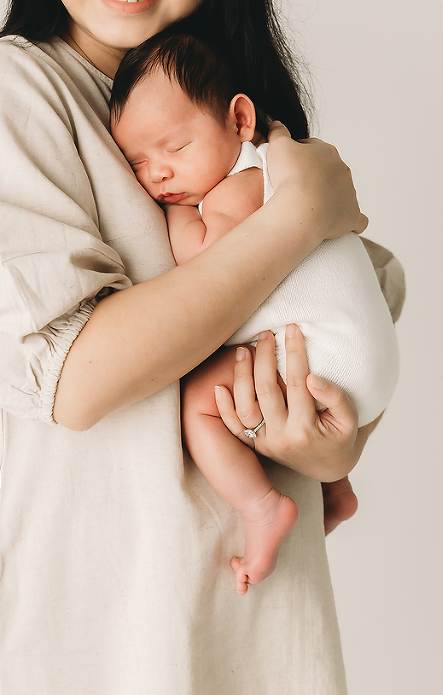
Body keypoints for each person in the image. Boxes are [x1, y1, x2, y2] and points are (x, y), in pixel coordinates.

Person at [0, 0, 404, 695]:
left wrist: (337, 445)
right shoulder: (6, 91)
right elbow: (74, 378)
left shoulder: (244, 125)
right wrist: (294, 218)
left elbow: (348, 338)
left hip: (261, 621)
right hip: (93, 638)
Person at [109, 32, 400, 595]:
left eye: (176, 147)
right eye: (138, 163)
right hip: (361, 359)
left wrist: (172, 216)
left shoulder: (242, 186)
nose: (157, 174)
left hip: (331, 359)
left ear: (239, 120)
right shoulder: (274, 167)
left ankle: (263, 507)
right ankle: (336, 487)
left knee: (200, 404)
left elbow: (201, 257)